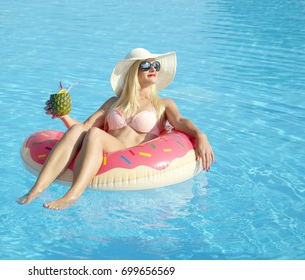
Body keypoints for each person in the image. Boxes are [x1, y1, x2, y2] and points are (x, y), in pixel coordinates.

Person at [17, 48, 215, 210]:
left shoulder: (163, 104)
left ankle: (72, 196)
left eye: (156, 65)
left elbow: (181, 121)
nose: (153, 68)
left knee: (95, 134)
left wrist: (201, 135)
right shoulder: (113, 102)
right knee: (80, 131)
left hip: (130, 152)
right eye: (146, 65)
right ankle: (36, 190)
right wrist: (63, 116)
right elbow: (83, 128)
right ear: (132, 72)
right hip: (106, 144)